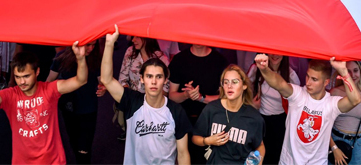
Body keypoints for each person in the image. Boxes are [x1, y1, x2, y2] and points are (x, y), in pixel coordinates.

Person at [0, 42, 89, 164]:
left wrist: (81, 58)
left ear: (37, 72)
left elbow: (80, 80)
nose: (22, 82)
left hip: (53, 161)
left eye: (26, 76)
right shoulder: (10, 95)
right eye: (18, 77)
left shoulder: (50, 90)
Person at [100, 25, 191, 165]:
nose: (154, 81)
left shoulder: (176, 112)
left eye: (159, 77)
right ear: (142, 79)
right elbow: (106, 79)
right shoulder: (132, 102)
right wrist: (109, 43)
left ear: (166, 80)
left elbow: (183, 154)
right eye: (149, 76)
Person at [253, 54, 361, 164]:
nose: (308, 82)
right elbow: (279, 84)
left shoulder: (331, 104)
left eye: (314, 79)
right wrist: (264, 69)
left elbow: (355, 100)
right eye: (307, 76)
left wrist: (344, 72)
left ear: (326, 82)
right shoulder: (297, 94)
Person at [192, 64, 266, 164]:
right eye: (225, 82)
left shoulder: (254, 117)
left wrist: (258, 161)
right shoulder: (212, 109)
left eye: (235, 82)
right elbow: (195, 138)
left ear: (244, 86)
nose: (229, 86)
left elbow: (260, 145)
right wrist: (208, 141)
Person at [168, 44, 229, 163]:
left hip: (212, 121)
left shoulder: (219, 61)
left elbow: (226, 97)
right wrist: (186, 95)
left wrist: (201, 98)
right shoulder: (179, 59)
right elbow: (172, 95)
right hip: (185, 121)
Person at [47, 40, 105, 164]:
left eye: (94, 45)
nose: (91, 48)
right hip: (68, 106)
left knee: (84, 147)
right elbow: (49, 80)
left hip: (89, 106)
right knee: (73, 140)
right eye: (88, 44)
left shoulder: (95, 58)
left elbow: (101, 79)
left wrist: (103, 87)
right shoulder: (61, 57)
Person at [247, 54, 300, 164]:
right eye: (272, 52)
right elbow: (244, 89)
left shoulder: (290, 74)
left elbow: (299, 99)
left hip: (281, 121)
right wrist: (251, 104)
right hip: (261, 119)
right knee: (260, 155)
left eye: (278, 52)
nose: (275, 55)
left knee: (277, 156)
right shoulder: (256, 68)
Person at [329, 61, 361, 165]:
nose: (353, 75)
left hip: (357, 143)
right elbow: (326, 125)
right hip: (337, 140)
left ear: (360, 72)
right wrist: (334, 147)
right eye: (348, 72)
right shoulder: (334, 93)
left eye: (355, 71)